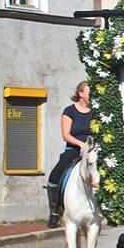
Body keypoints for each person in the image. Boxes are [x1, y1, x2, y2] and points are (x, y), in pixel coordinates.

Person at [46, 80, 93, 228]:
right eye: (89, 92)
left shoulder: (95, 112)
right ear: (81, 93)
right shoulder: (69, 111)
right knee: (55, 176)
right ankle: (55, 212)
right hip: (74, 149)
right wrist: (81, 144)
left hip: (92, 150)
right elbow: (65, 135)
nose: (92, 95)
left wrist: (90, 147)